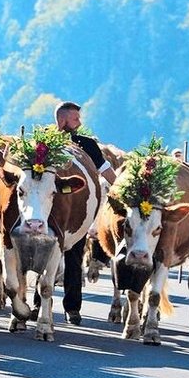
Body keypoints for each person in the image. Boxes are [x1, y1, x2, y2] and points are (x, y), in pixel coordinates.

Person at [54, 101, 117, 326]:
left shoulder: (87, 144)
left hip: (78, 212)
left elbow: (105, 170)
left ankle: (72, 308)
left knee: (74, 257)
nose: (79, 122)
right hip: (48, 210)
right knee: (44, 258)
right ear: (62, 120)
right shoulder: (45, 144)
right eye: (75, 118)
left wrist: (121, 190)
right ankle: (36, 303)